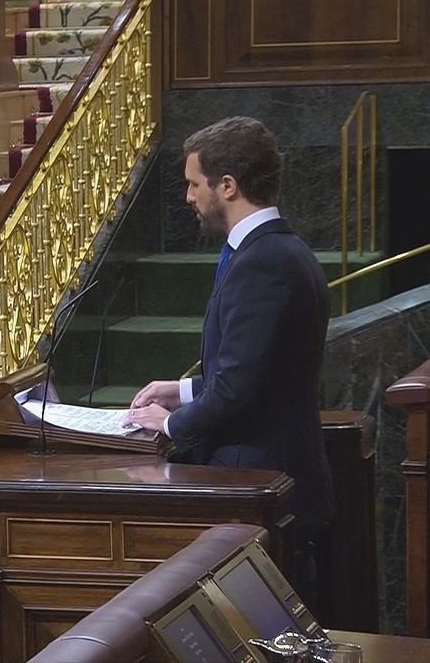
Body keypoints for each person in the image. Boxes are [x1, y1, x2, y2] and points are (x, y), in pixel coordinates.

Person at [125, 116, 333, 605]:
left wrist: (169, 424)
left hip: (259, 483)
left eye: (194, 184)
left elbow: (239, 390)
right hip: (276, 477)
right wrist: (182, 391)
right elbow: (263, 372)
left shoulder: (261, 262)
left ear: (228, 186)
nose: (188, 197)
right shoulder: (284, 249)